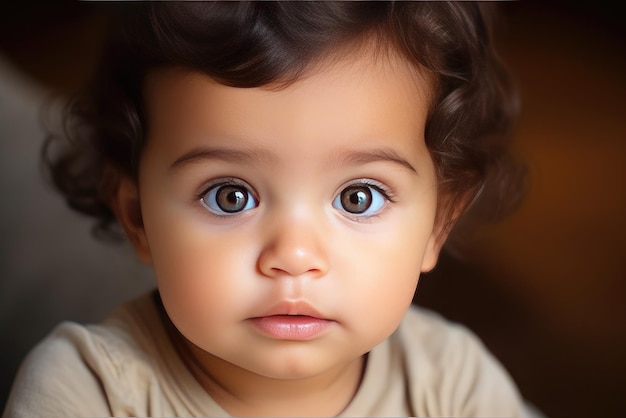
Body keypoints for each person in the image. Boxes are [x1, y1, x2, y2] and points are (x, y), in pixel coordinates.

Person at [3, 2, 538, 417]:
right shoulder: (88, 393)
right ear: (137, 217)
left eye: (359, 197)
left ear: (437, 225)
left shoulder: (455, 384)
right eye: (230, 196)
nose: (294, 256)